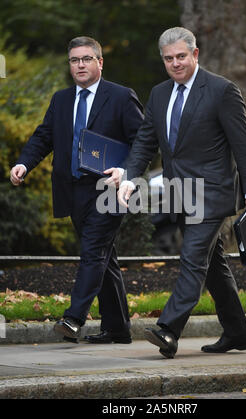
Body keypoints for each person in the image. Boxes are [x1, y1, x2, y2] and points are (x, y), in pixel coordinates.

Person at [118, 27, 246, 358]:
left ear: (195, 54)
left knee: (193, 257)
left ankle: (169, 330)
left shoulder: (221, 90)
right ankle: (238, 333)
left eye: (181, 56)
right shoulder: (158, 95)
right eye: (169, 59)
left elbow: (243, 144)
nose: (175, 63)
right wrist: (129, 176)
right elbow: (145, 141)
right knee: (213, 265)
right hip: (179, 193)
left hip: (212, 194)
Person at [10, 36, 144, 344]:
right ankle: (117, 329)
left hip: (109, 189)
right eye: (74, 60)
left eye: (86, 59)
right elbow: (44, 136)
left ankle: (73, 318)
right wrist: (24, 164)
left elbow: (143, 141)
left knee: (93, 251)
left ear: (100, 62)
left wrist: (126, 173)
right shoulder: (61, 99)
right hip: (73, 191)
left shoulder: (122, 97)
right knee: (103, 259)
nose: (80, 65)